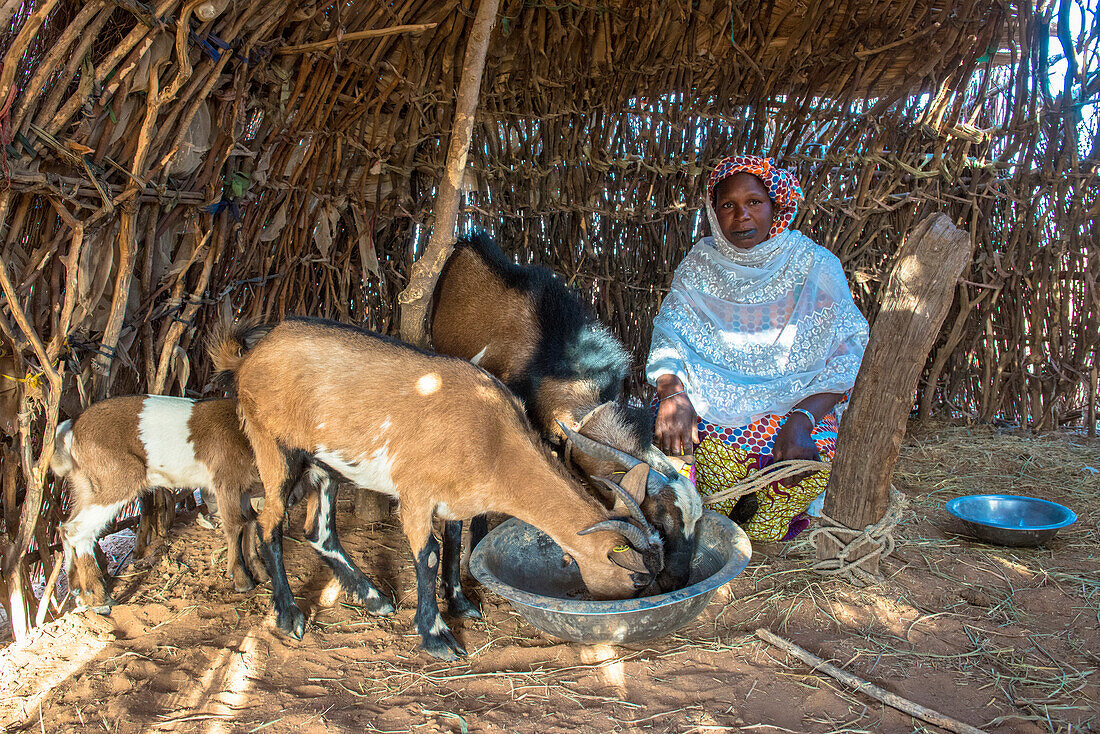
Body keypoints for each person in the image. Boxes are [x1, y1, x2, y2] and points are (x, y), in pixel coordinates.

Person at [646, 155, 868, 542]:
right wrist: (672, 392)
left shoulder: (813, 265)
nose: (741, 216)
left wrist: (801, 420)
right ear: (714, 214)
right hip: (709, 397)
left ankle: (770, 530)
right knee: (672, 434)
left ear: (775, 205)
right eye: (728, 205)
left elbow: (848, 353)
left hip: (798, 404)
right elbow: (670, 334)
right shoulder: (701, 265)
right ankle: (697, 522)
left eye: (754, 202)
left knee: (807, 458)